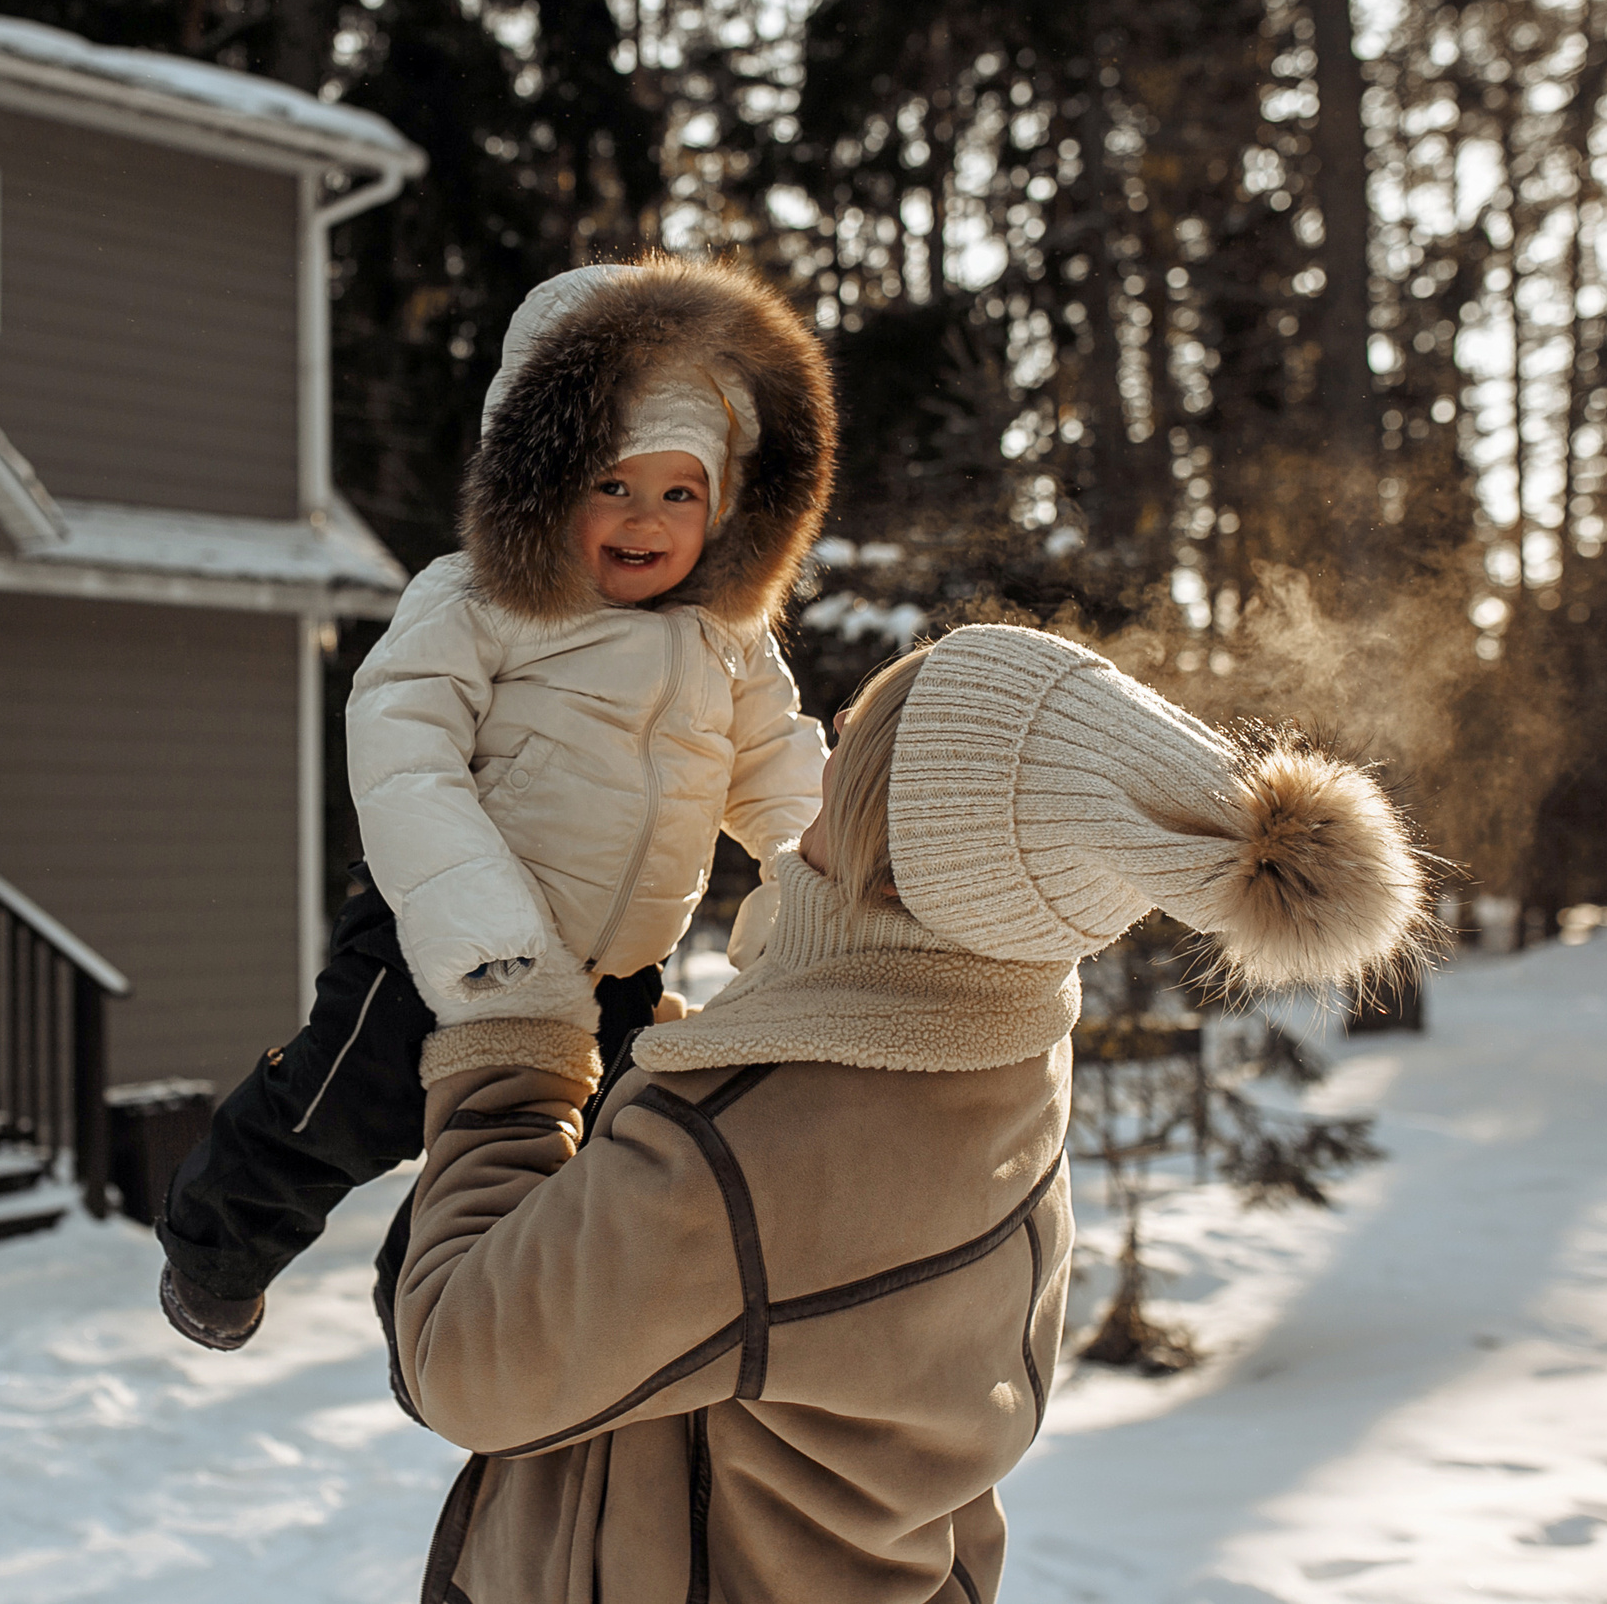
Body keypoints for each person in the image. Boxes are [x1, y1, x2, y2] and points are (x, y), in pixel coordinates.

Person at [391, 623, 1428, 1602]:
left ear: (885, 841)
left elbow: (456, 1358)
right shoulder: (997, 1056)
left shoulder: (752, 1142)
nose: (820, 755)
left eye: (848, 747)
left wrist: (510, 1063)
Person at [158, 254, 839, 1348]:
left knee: (556, 1164)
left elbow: (777, 766)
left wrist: (836, 867)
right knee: (346, 1110)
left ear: (725, 507)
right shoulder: (477, 603)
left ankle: (441, 1324)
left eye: (679, 491)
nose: (643, 519)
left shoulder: (730, 640)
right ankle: (214, 1247)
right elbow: (403, 749)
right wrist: (479, 937)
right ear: (543, 482)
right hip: (435, 937)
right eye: (610, 484)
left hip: (614, 972)